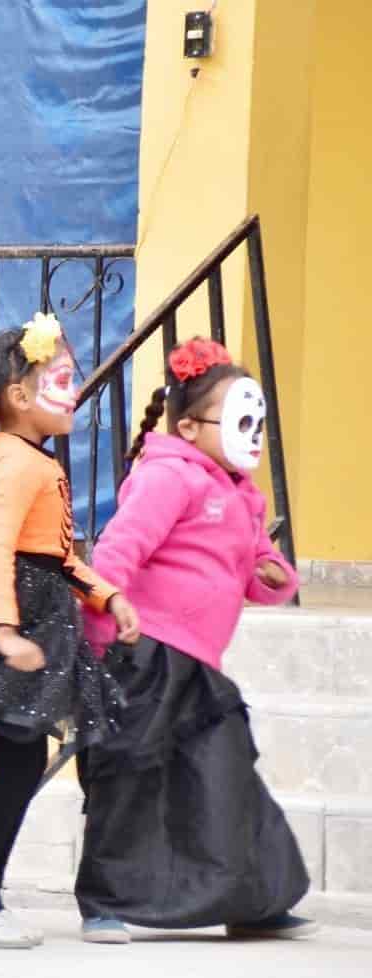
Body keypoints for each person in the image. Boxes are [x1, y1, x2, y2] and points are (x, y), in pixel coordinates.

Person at [74, 338, 315, 943]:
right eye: (239, 421)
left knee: (227, 772)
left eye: (257, 422)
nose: (253, 434)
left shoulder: (241, 494)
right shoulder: (168, 479)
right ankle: (105, 900)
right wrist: (104, 633)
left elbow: (256, 574)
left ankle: (254, 897)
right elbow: (116, 554)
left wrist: (273, 575)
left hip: (201, 667)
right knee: (128, 776)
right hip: (148, 656)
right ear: (187, 427)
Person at [0, 312, 139, 949]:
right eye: (60, 379)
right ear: (18, 397)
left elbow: (56, 553)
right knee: (19, 759)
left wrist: (107, 593)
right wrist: (3, 629)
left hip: (40, 602)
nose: (73, 391)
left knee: (23, 758)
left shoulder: (32, 459)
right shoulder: (15, 461)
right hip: (16, 610)